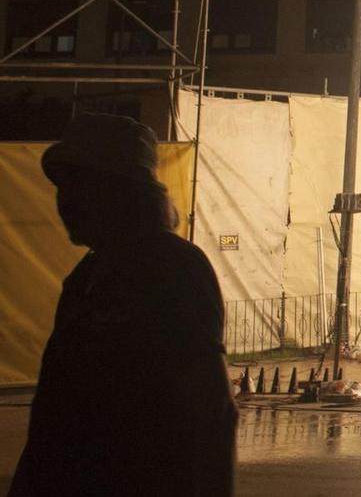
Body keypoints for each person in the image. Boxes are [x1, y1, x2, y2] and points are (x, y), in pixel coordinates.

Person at [9, 113, 236, 496]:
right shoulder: (85, 279)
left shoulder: (173, 268)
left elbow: (209, 410)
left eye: (80, 185)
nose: (64, 201)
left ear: (121, 192)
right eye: (62, 187)